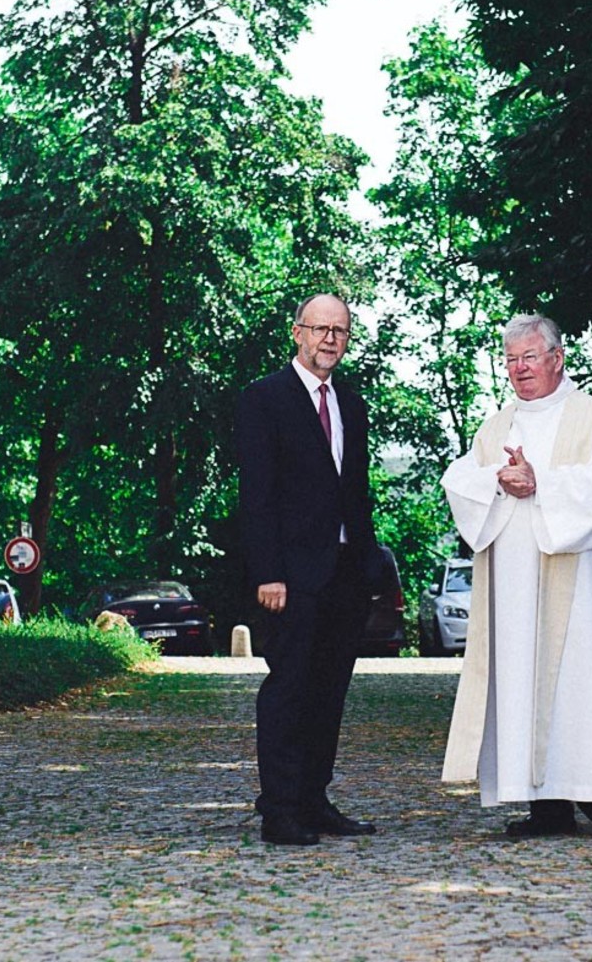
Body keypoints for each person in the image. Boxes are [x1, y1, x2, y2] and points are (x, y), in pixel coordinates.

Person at [439, 313, 592, 838]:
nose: (519, 368)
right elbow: (461, 479)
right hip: (515, 590)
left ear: (557, 359)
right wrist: (499, 479)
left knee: (585, 684)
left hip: (582, 586)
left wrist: (542, 484)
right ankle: (546, 806)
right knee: (523, 684)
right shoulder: (496, 427)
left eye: (530, 357)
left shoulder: (591, 418)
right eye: (511, 360)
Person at [237, 293, 391, 846]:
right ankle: (280, 810)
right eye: (320, 328)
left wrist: (370, 565)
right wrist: (268, 572)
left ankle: (313, 800)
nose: (330, 339)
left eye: (340, 331)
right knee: (289, 690)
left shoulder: (351, 403)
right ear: (297, 332)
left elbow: (356, 491)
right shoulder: (264, 399)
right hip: (290, 576)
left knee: (330, 692)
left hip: (346, 574)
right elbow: (257, 494)